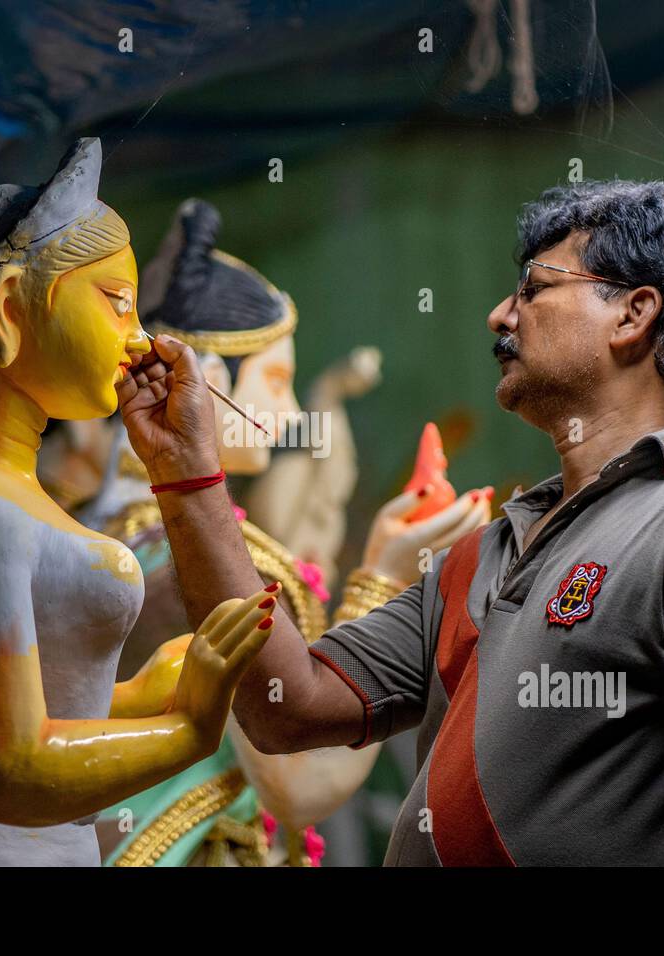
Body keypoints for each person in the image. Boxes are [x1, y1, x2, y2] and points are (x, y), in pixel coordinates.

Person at [116, 179, 664, 865]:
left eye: (535, 288)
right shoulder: (483, 552)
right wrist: (186, 475)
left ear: (633, 314)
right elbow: (287, 707)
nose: (500, 314)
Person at [0, 139, 273, 865]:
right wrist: (187, 731)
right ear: (12, 309)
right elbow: (6, 771)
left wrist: (149, 692)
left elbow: (8, 704)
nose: (136, 336)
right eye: (116, 304)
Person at [91, 199, 489, 866]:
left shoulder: (119, 528)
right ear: (207, 383)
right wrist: (381, 582)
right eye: (274, 383)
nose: (289, 410)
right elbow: (304, 782)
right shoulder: (214, 559)